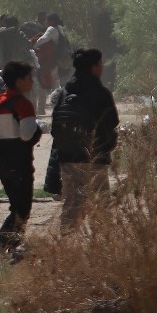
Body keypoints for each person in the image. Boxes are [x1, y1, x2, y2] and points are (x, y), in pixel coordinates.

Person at [53, 48, 119, 228]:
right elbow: (112, 120)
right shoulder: (101, 93)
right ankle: (102, 243)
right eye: (100, 64)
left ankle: (66, 244)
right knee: (101, 203)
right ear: (94, 67)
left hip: (68, 156)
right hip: (95, 155)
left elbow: (56, 125)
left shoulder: (64, 93)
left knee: (72, 202)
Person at [0, 62, 44, 257]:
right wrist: (40, 129)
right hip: (19, 162)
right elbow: (27, 134)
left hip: (3, 162)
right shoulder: (22, 103)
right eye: (29, 78)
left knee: (17, 206)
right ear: (19, 81)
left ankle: (12, 247)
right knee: (22, 209)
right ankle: (2, 245)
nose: (32, 82)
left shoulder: (0, 102)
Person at [33, 13, 71, 96]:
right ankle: (57, 102)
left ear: (51, 21)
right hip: (58, 59)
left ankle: (46, 105)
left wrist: (33, 46)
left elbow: (43, 39)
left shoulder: (51, 29)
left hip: (51, 59)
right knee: (56, 81)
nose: (46, 22)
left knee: (46, 81)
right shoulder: (59, 29)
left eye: (47, 20)